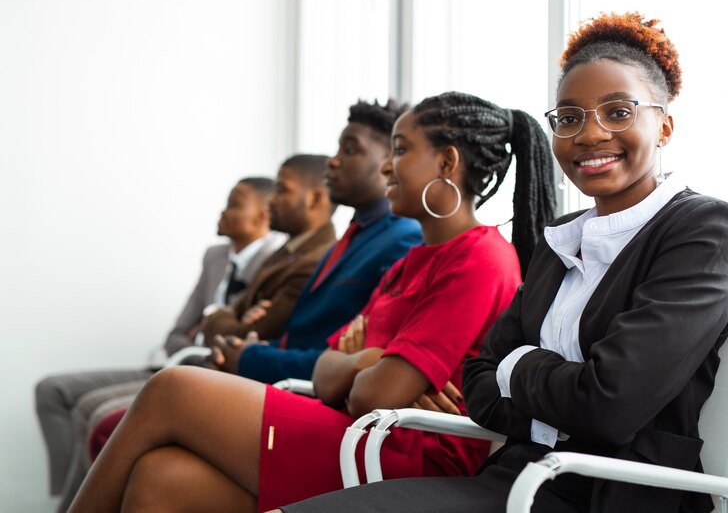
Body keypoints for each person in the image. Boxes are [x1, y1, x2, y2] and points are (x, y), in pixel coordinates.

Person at [278, 13, 728, 513]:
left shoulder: (699, 226)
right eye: (569, 117)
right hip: (514, 480)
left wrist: (518, 365)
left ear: (665, 125)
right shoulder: (565, 237)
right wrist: (550, 384)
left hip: (610, 497)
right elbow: (479, 383)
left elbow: (611, 404)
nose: (589, 133)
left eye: (618, 112)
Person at [67, 91, 556, 513]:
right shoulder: (412, 262)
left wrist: (363, 364)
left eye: (401, 150)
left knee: (171, 388)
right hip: (360, 429)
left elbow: (372, 395)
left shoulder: (481, 257)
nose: (387, 164)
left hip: (406, 449)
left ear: (447, 163)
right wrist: (372, 365)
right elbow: (328, 374)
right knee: (160, 477)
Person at [34, 176, 281, 511]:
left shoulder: (278, 261)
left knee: (98, 411)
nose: (223, 212)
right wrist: (210, 328)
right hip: (176, 362)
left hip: (211, 377)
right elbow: (178, 332)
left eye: (235, 204)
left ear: (264, 215)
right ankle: (68, 496)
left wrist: (209, 330)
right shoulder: (215, 256)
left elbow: (240, 341)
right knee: (53, 390)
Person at [214, 99, 423, 383]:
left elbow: (363, 359)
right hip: (284, 379)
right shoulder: (349, 239)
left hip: (315, 395)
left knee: (172, 390)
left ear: (389, 160)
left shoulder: (404, 239)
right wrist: (245, 349)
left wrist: (252, 357)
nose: (333, 161)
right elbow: (301, 339)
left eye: (349, 150)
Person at [198, 155, 337, 345]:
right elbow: (237, 315)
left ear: (316, 198)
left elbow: (248, 337)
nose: (270, 201)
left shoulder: (316, 262)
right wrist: (232, 318)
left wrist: (213, 315)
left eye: (281, 190)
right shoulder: (285, 252)